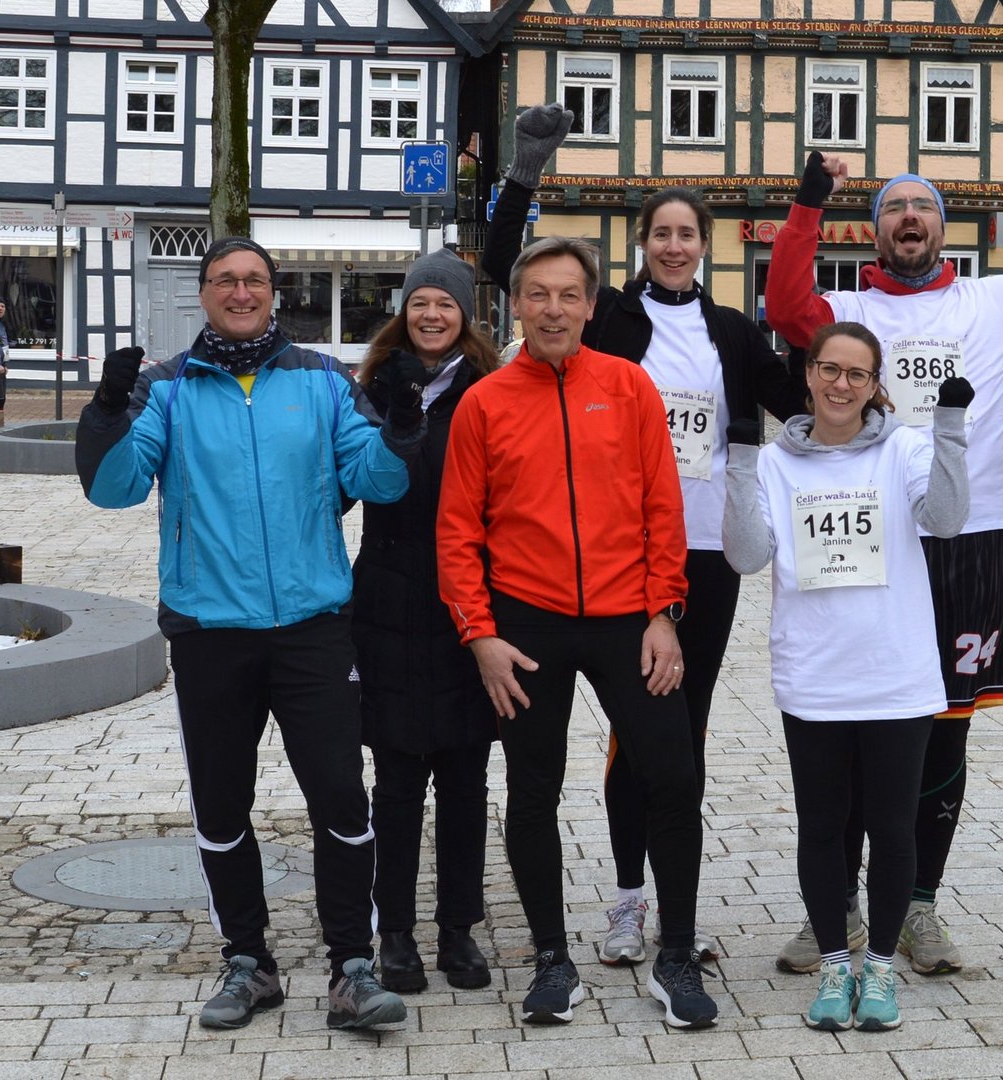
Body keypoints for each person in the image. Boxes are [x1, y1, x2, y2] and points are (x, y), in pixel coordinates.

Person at [763, 108, 1003, 975]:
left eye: (923, 206)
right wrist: (809, 201)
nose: (910, 219)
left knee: (944, 732)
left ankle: (918, 905)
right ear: (877, 229)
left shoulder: (996, 297)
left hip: (971, 533)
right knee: (850, 720)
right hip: (871, 534)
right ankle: (840, 908)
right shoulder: (845, 308)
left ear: (942, 226)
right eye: (894, 208)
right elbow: (783, 301)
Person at [483, 104, 808, 967]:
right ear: (640, 244)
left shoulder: (731, 331)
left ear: (704, 244)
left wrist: (900, 423)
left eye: (686, 234)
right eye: (660, 233)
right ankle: (627, 898)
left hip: (707, 555)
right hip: (617, 564)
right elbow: (498, 265)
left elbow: (807, 405)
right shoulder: (612, 320)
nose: (673, 246)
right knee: (635, 739)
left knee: (680, 741)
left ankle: (676, 912)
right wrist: (525, 174)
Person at [75, 236, 420, 1031]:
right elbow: (115, 490)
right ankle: (249, 962)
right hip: (210, 633)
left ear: (275, 292)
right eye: (225, 280)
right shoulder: (168, 389)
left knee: (341, 797)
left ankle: (351, 968)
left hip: (314, 629)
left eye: (254, 280)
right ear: (203, 294)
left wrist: (402, 426)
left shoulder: (324, 381)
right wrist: (104, 416)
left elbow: (377, 480)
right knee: (222, 808)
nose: (240, 292)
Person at [437, 235, 718, 1030]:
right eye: (539, 295)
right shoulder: (485, 402)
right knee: (532, 792)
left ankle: (677, 954)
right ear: (516, 305)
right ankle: (552, 959)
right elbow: (458, 533)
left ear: (592, 305)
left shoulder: (629, 387)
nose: (554, 309)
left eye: (569, 295)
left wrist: (666, 611)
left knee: (674, 778)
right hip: (526, 626)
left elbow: (664, 507)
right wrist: (480, 636)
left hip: (632, 619)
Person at [723, 322, 973, 1031]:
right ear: (807, 374)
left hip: (895, 674)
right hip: (815, 675)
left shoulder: (904, 448)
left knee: (895, 830)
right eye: (829, 370)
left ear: (875, 385)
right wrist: (741, 462)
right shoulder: (775, 463)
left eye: (857, 375)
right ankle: (836, 963)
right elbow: (745, 556)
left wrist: (950, 429)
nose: (841, 385)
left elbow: (949, 520)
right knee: (822, 828)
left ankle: (882, 970)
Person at [351, 248, 501, 994]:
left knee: (467, 777)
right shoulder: (369, 390)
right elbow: (342, 489)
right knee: (398, 779)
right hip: (387, 598)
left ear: (465, 315)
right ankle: (398, 934)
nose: (433, 315)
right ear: (403, 313)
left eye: (446, 304)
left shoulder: (491, 388)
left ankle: (459, 931)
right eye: (420, 304)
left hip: (468, 600)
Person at [0, 296, 8, 423]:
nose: (0, 308)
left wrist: (5, 363)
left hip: (1, 366)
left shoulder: (2, 324)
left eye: (2, 306)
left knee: (1, 397)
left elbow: (4, 345)